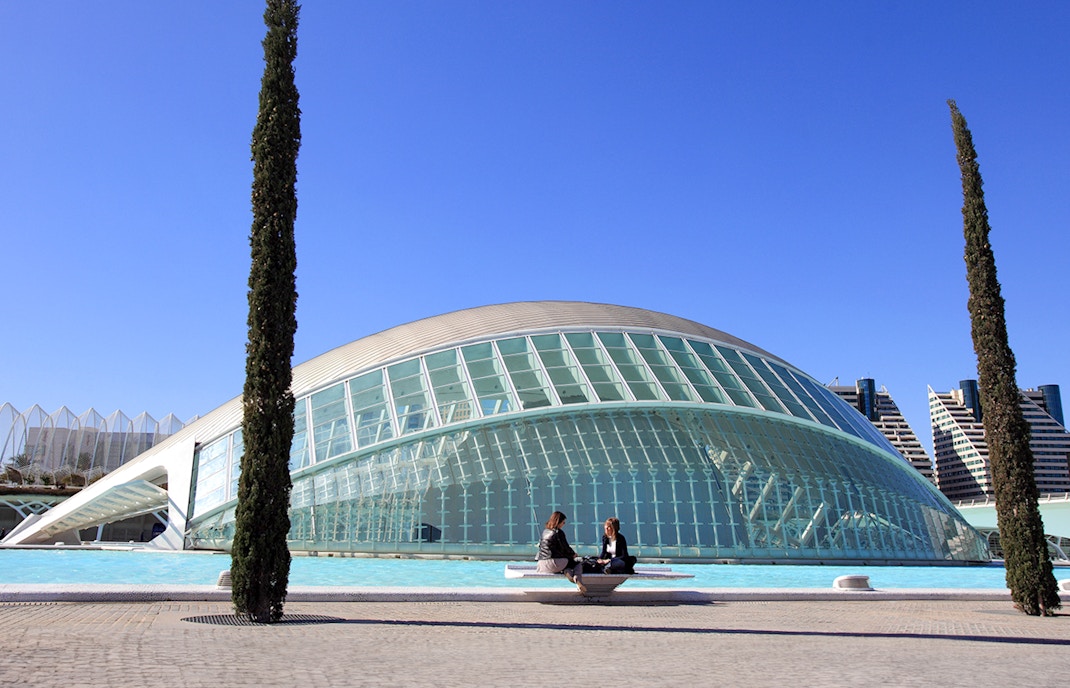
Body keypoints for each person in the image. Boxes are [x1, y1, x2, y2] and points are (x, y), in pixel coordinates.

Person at [536, 510, 586, 593]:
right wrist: (573, 554)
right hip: (553, 564)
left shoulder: (544, 532)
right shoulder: (558, 532)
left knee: (567, 565)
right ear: (558, 522)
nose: (563, 524)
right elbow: (566, 547)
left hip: (541, 565)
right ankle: (578, 579)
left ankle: (568, 573)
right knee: (577, 563)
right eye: (563, 522)